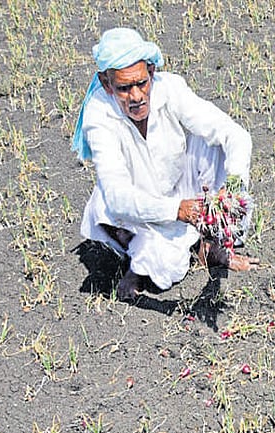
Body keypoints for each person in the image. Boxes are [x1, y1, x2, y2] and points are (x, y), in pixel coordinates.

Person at [73, 28, 258, 301]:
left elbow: (236, 135)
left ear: (151, 71)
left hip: (175, 185)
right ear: (106, 83)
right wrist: (177, 210)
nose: (136, 96)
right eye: (124, 88)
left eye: (142, 83)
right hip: (131, 211)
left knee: (213, 143)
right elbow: (118, 197)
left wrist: (232, 187)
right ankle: (178, 251)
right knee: (165, 266)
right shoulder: (98, 115)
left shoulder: (170, 88)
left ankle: (209, 242)